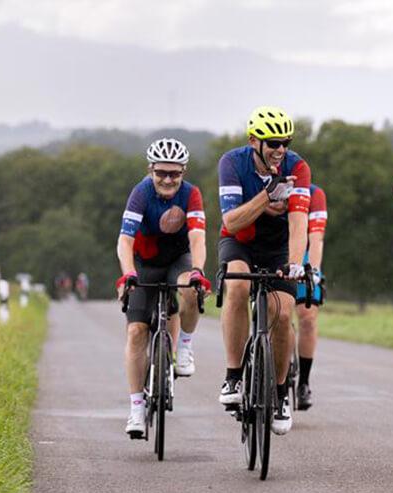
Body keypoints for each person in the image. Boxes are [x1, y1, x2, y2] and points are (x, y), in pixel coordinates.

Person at [217, 106, 311, 435]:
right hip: (239, 241)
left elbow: (300, 222)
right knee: (238, 287)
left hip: (277, 248)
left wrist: (296, 264)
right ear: (254, 141)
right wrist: (266, 196)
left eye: (285, 142)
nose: (279, 150)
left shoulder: (297, 167)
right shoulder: (232, 163)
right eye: (273, 143)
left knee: (283, 314)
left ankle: (282, 392)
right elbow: (231, 221)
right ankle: (233, 376)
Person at [116, 138, 211, 438]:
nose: (168, 179)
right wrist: (128, 274)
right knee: (136, 332)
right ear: (151, 170)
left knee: (190, 290)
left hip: (178, 259)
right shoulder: (141, 193)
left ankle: (184, 345)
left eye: (175, 173)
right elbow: (125, 241)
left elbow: (197, 237)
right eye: (161, 173)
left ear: (183, 171)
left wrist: (197, 271)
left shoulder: (191, 194)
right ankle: (135, 407)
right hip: (145, 262)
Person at [293, 183, 327, 410]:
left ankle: (303, 382)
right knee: (278, 313)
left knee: (307, 317)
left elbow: (316, 238)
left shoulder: (315, 194)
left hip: (304, 254)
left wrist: (313, 270)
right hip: (275, 251)